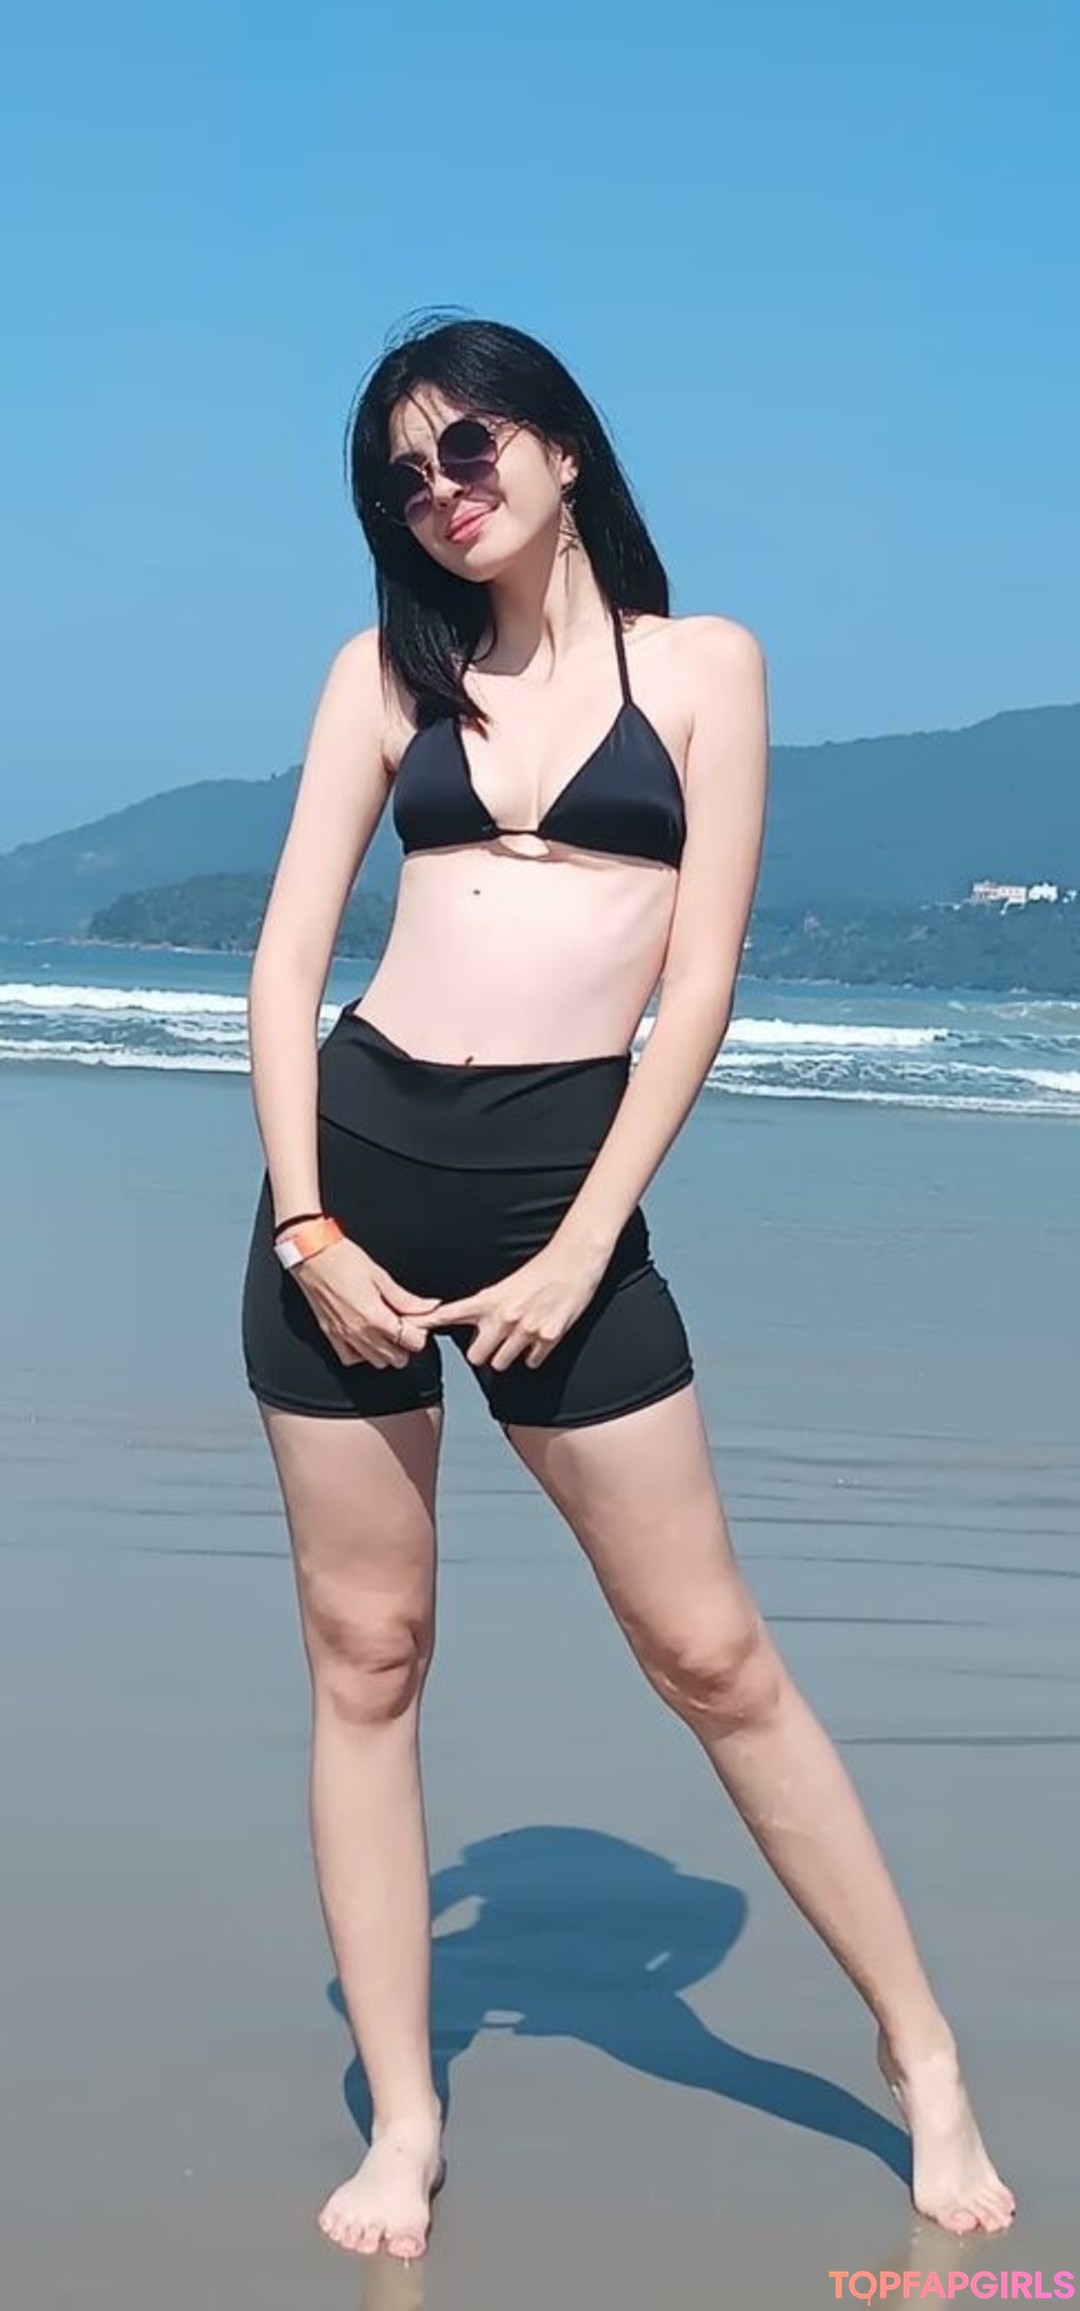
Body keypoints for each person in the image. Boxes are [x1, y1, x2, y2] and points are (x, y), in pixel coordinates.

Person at [240, 315, 1015, 2262]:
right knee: (367, 1658)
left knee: (712, 1656)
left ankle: (922, 2052)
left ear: (563, 447)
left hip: (563, 1196)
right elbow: (284, 964)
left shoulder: (703, 668)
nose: (442, 488)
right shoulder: (383, 678)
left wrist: (587, 1239)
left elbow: (703, 982)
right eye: (405, 474)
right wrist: (309, 1229)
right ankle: (407, 2115)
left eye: (470, 444)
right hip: (354, 1175)